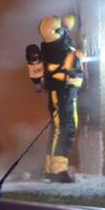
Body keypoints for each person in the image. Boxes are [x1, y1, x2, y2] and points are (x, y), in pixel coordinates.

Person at [39, 14, 84, 183]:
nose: (64, 31)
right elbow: (57, 74)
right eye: (61, 29)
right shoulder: (55, 52)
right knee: (64, 129)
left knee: (62, 129)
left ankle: (52, 168)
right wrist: (73, 78)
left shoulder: (57, 48)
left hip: (65, 93)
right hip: (62, 93)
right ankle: (57, 170)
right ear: (55, 32)